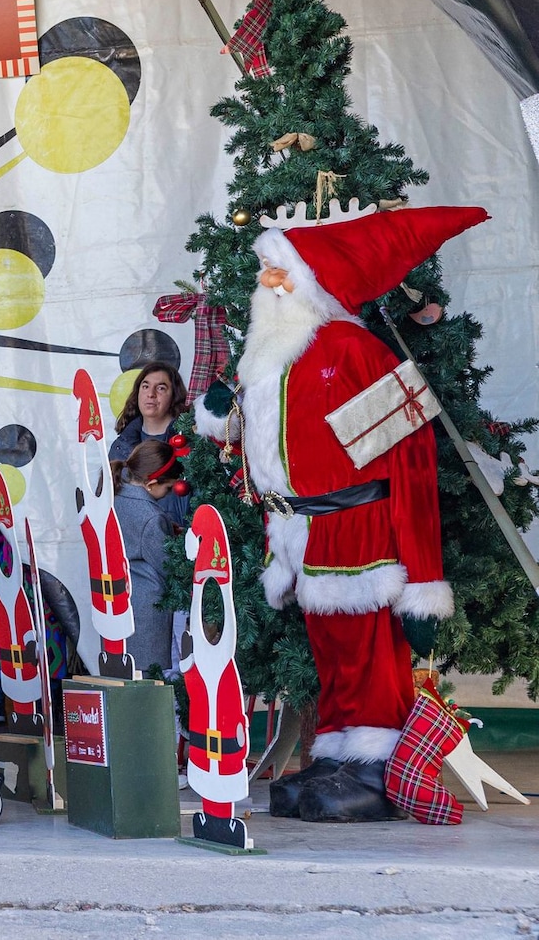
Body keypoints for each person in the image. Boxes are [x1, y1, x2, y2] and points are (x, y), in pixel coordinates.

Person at [195, 205, 482, 823]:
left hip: (360, 531)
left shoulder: (355, 351)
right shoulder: (270, 357)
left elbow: (412, 460)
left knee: (370, 649)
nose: (267, 284)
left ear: (314, 282)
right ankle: (337, 757)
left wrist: (424, 578)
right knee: (331, 650)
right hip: (302, 531)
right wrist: (226, 412)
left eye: (280, 272)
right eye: (265, 271)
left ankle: (374, 767)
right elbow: (254, 443)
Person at [111, 441, 176, 679]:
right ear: (151, 484)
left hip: (119, 604)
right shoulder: (151, 517)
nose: (168, 494)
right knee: (147, 687)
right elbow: (169, 566)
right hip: (147, 615)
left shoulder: (113, 493)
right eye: (167, 488)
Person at [109, 362, 189, 527]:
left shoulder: (188, 445)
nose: (151, 394)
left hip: (181, 544)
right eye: (145, 386)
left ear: (174, 396)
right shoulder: (120, 447)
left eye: (161, 388)